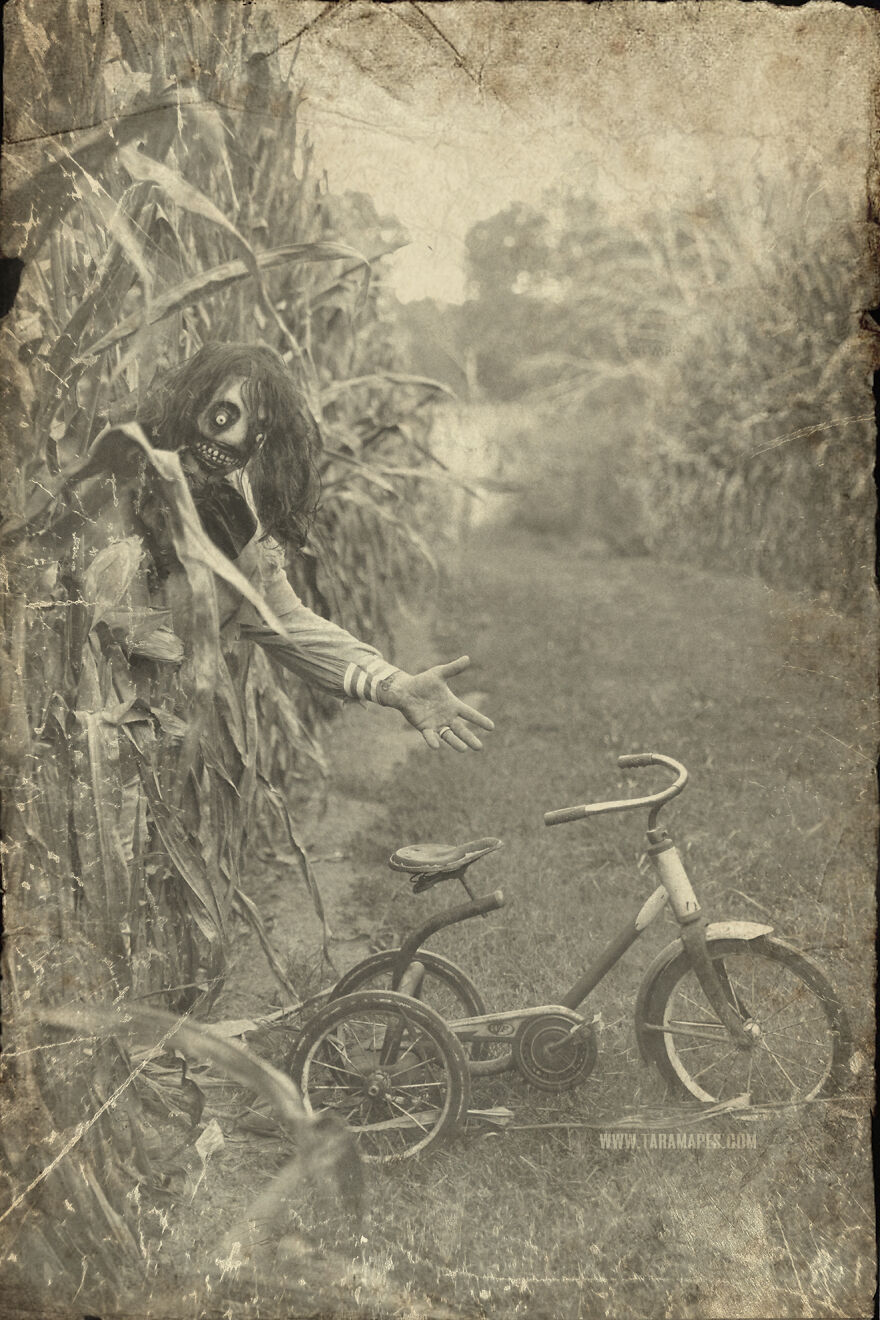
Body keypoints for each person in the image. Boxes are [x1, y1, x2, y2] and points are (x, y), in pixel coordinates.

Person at [107, 341, 495, 752]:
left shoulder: (235, 533)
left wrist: (396, 686)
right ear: (192, 399)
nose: (235, 437)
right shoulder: (108, 465)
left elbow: (288, 623)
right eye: (225, 413)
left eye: (256, 429)